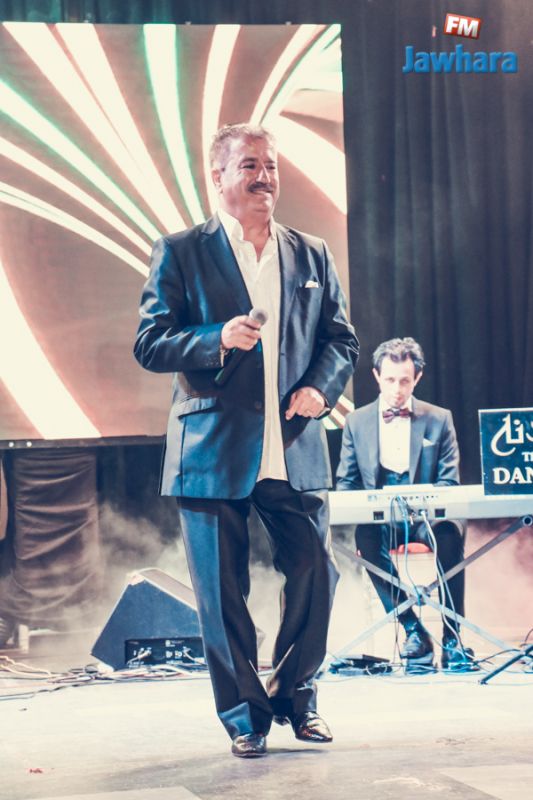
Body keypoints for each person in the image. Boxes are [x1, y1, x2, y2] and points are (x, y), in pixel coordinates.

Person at [134, 123, 359, 757]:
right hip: (211, 448)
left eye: (271, 165)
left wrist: (320, 389)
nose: (265, 177)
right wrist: (216, 338)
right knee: (220, 591)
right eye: (250, 165)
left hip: (292, 444)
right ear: (219, 176)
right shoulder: (181, 251)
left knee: (316, 571)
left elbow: (341, 340)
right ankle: (244, 716)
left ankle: (297, 695)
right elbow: (150, 343)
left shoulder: (311, 252)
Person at [336, 337, 477, 672]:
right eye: (389, 380)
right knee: (366, 538)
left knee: (449, 533)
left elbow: (449, 482)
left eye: (404, 380)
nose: (397, 389)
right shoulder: (356, 422)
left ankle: (452, 638)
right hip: (382, 517)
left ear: (417, 378)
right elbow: (347, 482)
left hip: (427, 516)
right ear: (376, 376)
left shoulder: (439, 419)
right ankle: (413, 628)